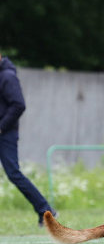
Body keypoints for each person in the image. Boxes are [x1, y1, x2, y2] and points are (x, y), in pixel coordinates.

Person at [0, 54, 57, 227]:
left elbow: (19, 104)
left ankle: (45, 209)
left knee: (14, 173)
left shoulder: (7, 76)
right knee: (14, 174)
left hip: (5, 134)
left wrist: (1, 126)